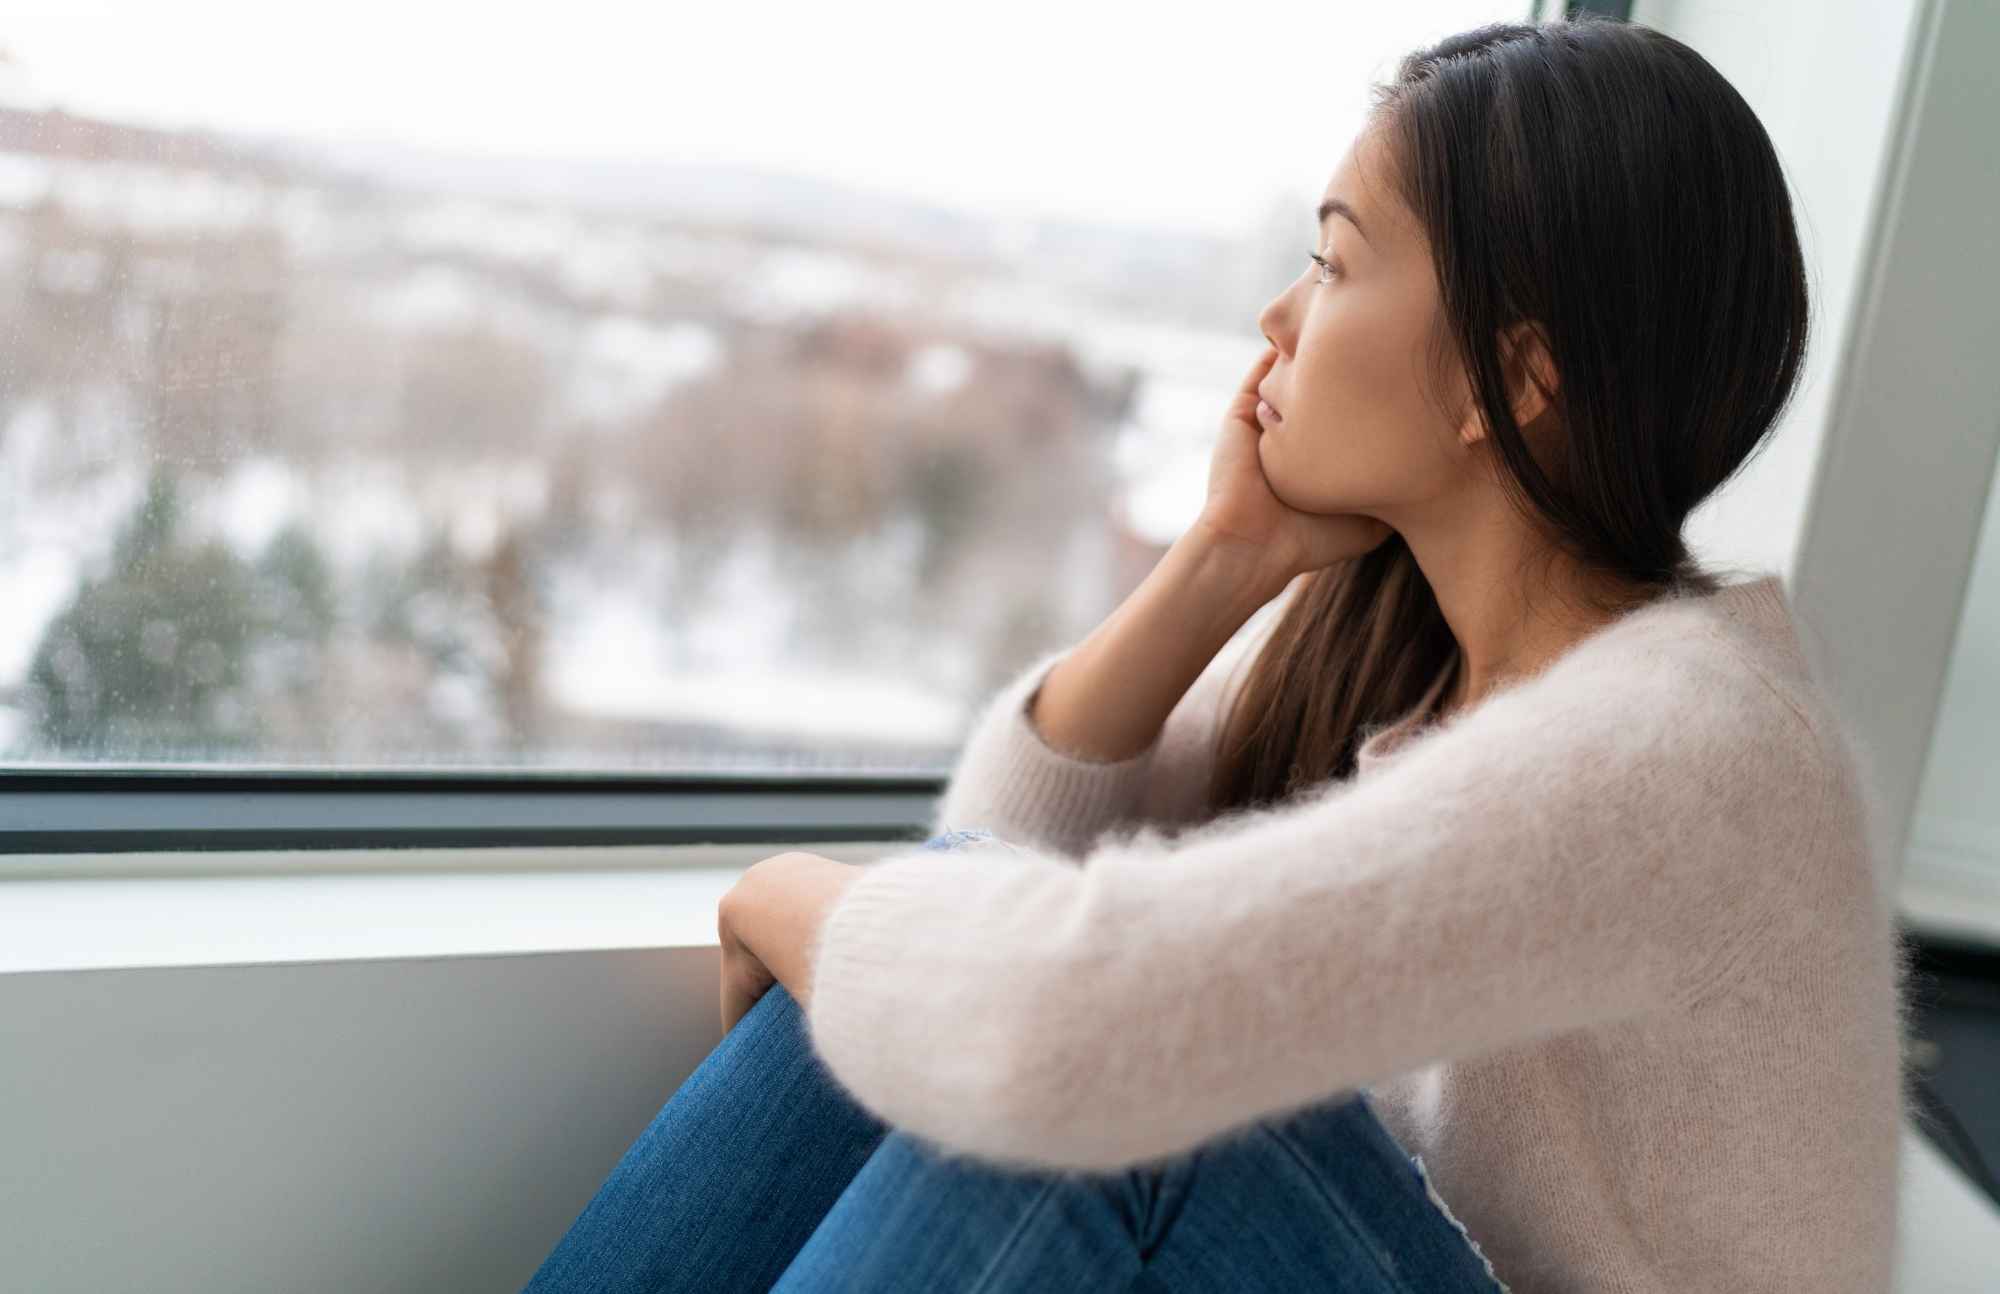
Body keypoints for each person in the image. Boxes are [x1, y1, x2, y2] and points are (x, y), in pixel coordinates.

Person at [527, 13, 1912, 1292]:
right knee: (950, 978)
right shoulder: (1423, 657)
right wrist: (1222, 563)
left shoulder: (1690, 747)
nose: (1279, 319)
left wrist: (784, 893)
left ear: (1521, 378)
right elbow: (1002, 872)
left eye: (1334, 260)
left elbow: (1036, 1028)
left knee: (1126, 1100)